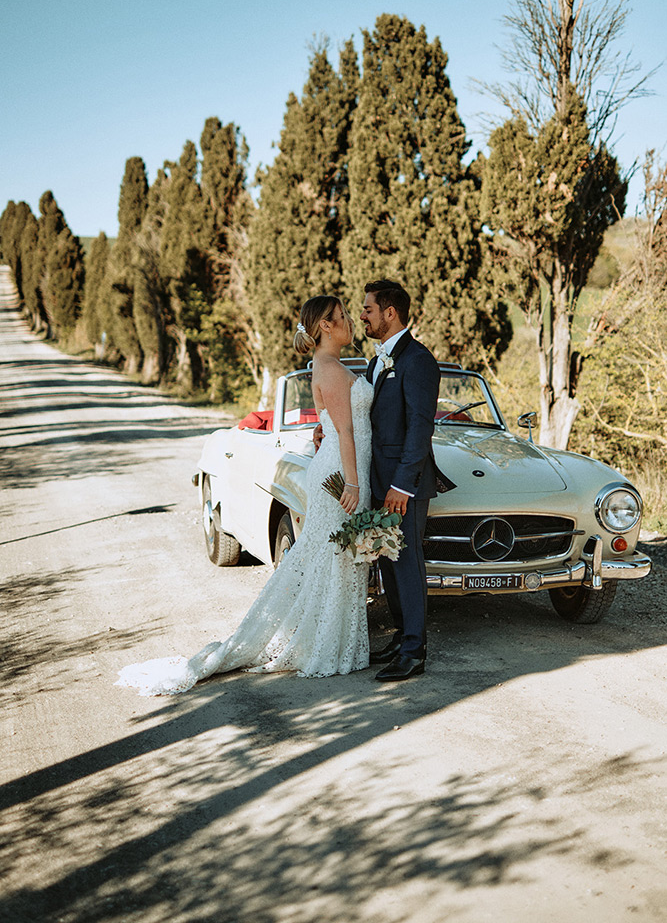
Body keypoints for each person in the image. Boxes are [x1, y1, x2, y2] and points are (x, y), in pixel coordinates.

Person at [116, 296, 373, 696]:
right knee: (334, 557)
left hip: (337, 466)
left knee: (330, 556)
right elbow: (344, 431)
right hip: (343, 474)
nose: (349, 324)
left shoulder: (322, 366)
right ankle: (327, 646)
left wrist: (324, 436)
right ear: (325, 326)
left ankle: (331, 641)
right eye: (342, 318)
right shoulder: (331, 368)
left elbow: (328, 423)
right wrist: (354, 484)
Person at [361, 280, 455, 682]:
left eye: (367, 308)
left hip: (404, 484)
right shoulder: (377, 359)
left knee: (408, 564)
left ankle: (415, 651)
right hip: (379, 479)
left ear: (390, 313)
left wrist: (402, 484)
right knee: (388, 561)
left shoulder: (417, 360)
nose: (362, 315)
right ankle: (402, 636)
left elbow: (420, 427)